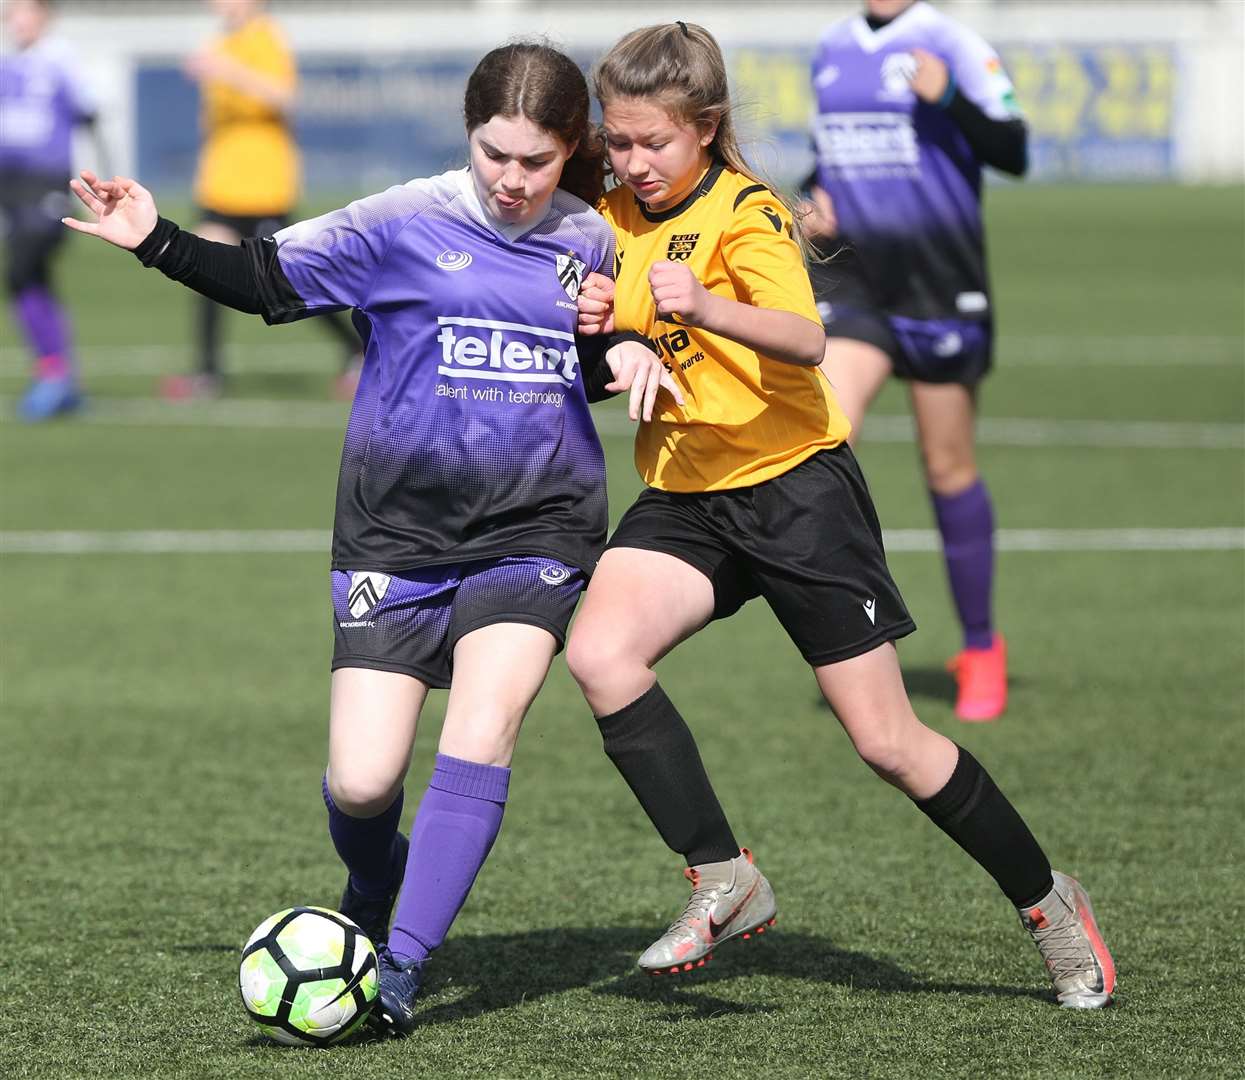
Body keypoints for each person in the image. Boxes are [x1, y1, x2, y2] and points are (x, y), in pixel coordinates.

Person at [64, 42, 676, 1036]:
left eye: (538, 160)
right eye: (495, 155)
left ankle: (395, 969)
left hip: (539, 527)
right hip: (395, 532)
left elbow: (600, 361)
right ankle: (377, 893)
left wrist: (627, 346)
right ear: (469, 136)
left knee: (482, 729)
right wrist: (155, 239)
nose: (515, 180)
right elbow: (267, 279)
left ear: (572, 148)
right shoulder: (401, 221)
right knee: (362, 782)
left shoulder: (598, 238)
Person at [569, 22, 1114, 1009]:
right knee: (600, 655)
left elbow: (807, 338)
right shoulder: (608, 212)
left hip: (795, 494)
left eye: (652, 141)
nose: (633, 161)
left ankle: (1049, 905)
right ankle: (723, 876)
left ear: (705, 127)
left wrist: (701, 307)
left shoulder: (748, 214)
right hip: (687, 496)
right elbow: (597, 337)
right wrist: (606, 342)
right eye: (618, 140)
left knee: (889, 743)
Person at [804, 0, 1029, 720]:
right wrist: (815, 196)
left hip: (938, 277)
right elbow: (827, 156)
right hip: (854, 275)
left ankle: (980, 646)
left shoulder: (950, 44)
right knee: (826, 433)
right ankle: (856, 638)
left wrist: (951, 98)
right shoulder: (831, 47)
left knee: (946, 467)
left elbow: (1013, 151)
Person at [168, 0, 362, 400]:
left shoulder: (265, 38)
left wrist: (227, 70)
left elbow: (283, 97)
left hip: (262, 184)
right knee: (202, 269)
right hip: (224, 183)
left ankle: (358, 349)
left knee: (288, 278)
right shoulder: (224, 40)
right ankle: (208, 373)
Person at [1, 0, 100, 420]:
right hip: (9, 186)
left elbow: (91, 114)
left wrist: (99, 187)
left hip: (46, 183)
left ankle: (54, 373)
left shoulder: (63, 59)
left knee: (23, 269)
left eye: (23, 9)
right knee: (30, 278)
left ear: (44, 15)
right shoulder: (7, 62)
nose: (14, 18)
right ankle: (59, 375)